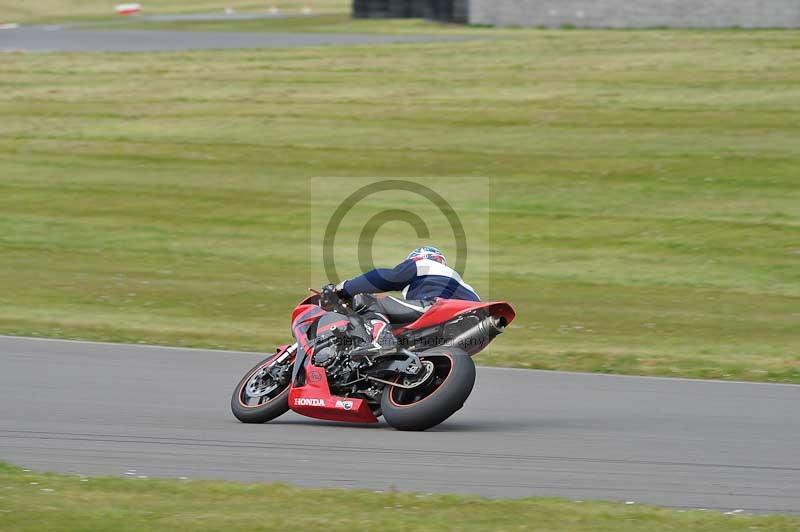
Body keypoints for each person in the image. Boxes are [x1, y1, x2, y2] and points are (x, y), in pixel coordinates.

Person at [325, 246, 480, 349]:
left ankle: (382, 342)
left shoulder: (422, 263)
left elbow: (385, 278)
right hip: (473, 320)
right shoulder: (463, 284)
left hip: (436, 307)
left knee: (367, 300)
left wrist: (343, 289)